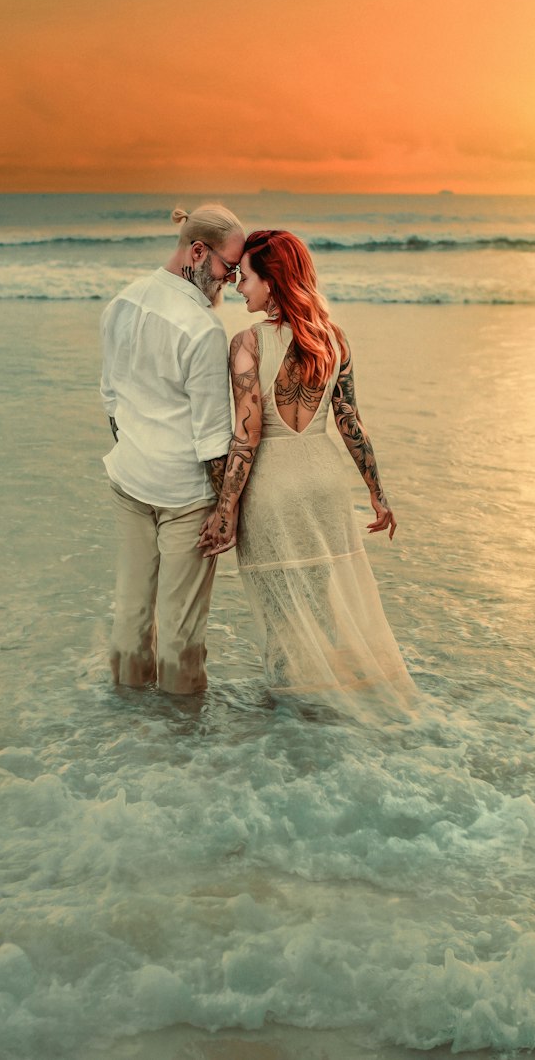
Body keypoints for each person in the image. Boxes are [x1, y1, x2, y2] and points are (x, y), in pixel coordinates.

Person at [198, 229, 416, 716]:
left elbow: (247, 436)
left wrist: (225, 509)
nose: (239, 288)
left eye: (247, 278)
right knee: (319, 607)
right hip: (325, 484)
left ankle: (290, 717)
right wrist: (379, 497)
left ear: (272, 283)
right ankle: (326, 706)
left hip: (274, 490)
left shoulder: (247, 342)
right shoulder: (333, 339)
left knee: (281, 618)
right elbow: (350, 423)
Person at [100, 204, 245, 695]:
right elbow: (212, 439)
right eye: (229, 267)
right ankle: (180, 750)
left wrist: (141, 452)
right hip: (185, 496)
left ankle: (126, 732)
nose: (232, 279)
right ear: (197, 252)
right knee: (180, 633)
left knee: (131, 615)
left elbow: (111, 401)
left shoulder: (121, 302)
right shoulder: (202, 329)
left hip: (128, 481)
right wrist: (227, 510)